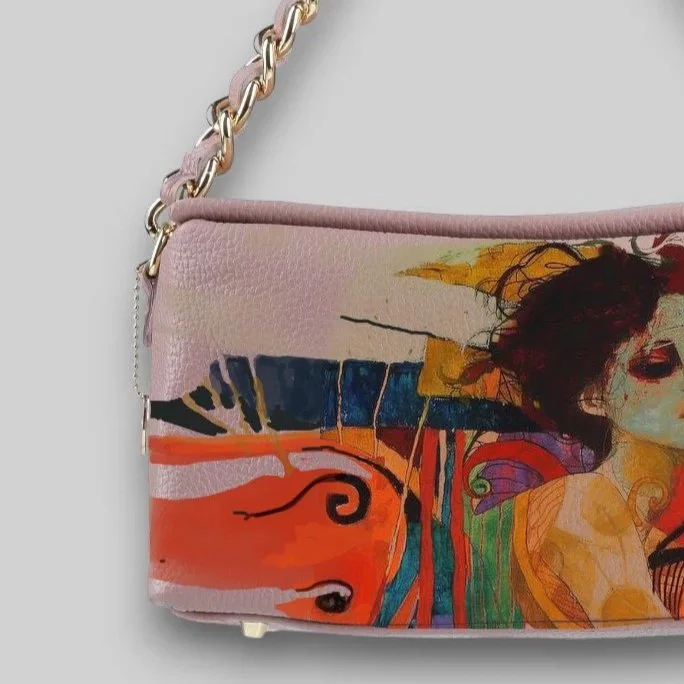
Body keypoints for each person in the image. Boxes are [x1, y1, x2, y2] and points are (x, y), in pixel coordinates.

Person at [489, 242, 684, 625]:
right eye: (658, 365)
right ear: (593, 397)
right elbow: (648, 647)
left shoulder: (646, 529)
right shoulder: (582, 504)